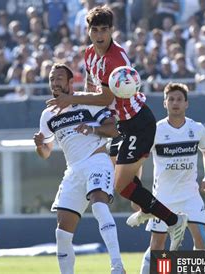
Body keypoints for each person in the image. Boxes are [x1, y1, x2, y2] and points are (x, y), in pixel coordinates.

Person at [45, 5, 188, 251]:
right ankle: (145, 206)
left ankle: (174, 220)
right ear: (88, 31)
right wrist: (87, 111)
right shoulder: (89, 53)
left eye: (104, 29)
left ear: (112, 30)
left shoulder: (116, 58)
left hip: (137, 123)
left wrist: (73, 98)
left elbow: (104, 97)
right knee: (117, 181)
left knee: (122, 187)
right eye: (95, 29)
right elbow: (94, 87)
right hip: (121, 124)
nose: (99, 34)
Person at [34, 63, 125, 274]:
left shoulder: (87, 101)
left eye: (59, 78)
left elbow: (113, 130)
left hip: (97, 161)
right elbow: (46, 152)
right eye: (51, 79)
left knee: (99, 205)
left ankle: (117, 267)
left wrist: (92, 128)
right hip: (73, 170)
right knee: (62, 234)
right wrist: (40, 145)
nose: (54, 83)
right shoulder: (48, 114)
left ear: (70, 82)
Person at [139, 82, 205, 274]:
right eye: (171, 99)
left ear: (186, 104)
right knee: (158, 245)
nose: (175, 103)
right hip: (163, 198)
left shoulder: (197, 129)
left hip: (190, 196)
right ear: (165, 103)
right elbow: (139, 161)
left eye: (179, 99)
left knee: (201, 239)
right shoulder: (155, 131)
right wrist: (137, 194)